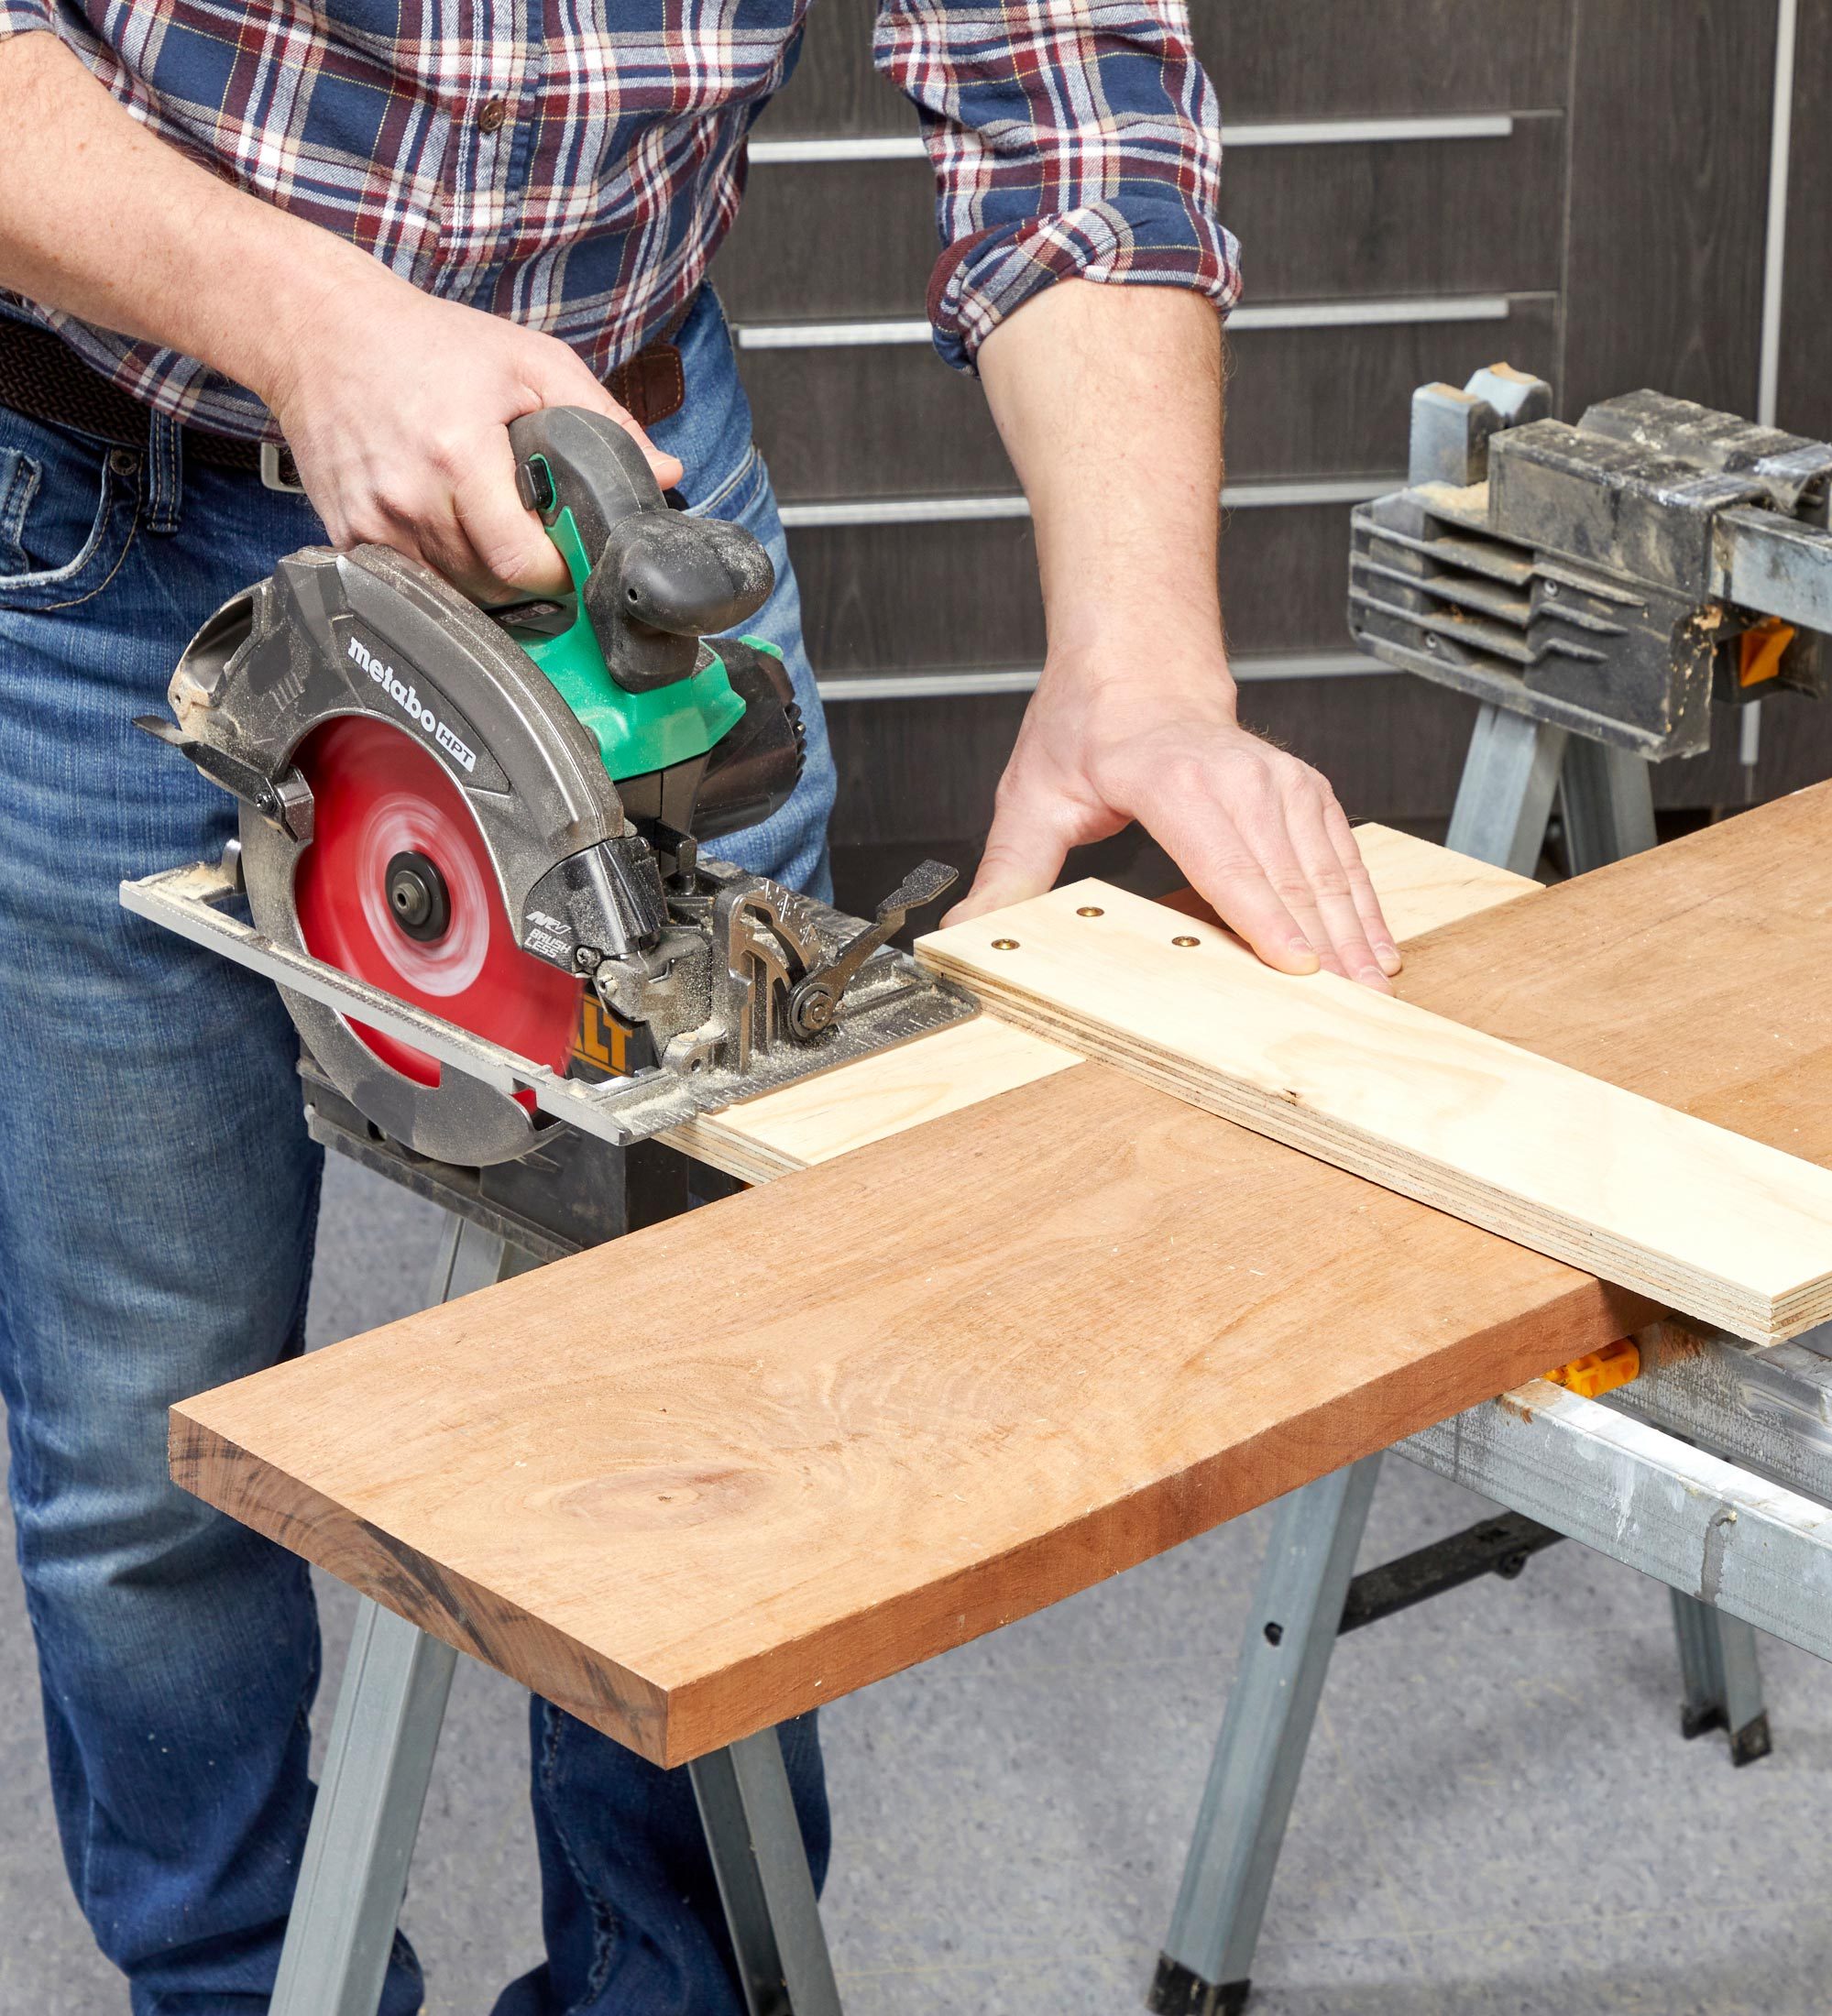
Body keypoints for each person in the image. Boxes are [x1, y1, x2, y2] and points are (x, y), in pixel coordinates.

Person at [0, 4, 1399, 2010]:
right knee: (151, 1460)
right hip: (105, 499)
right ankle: (238, 1985)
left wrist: (1142, 656)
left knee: (725, 1407)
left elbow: (1061, 71)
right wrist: (305, 317)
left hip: (602, 492)